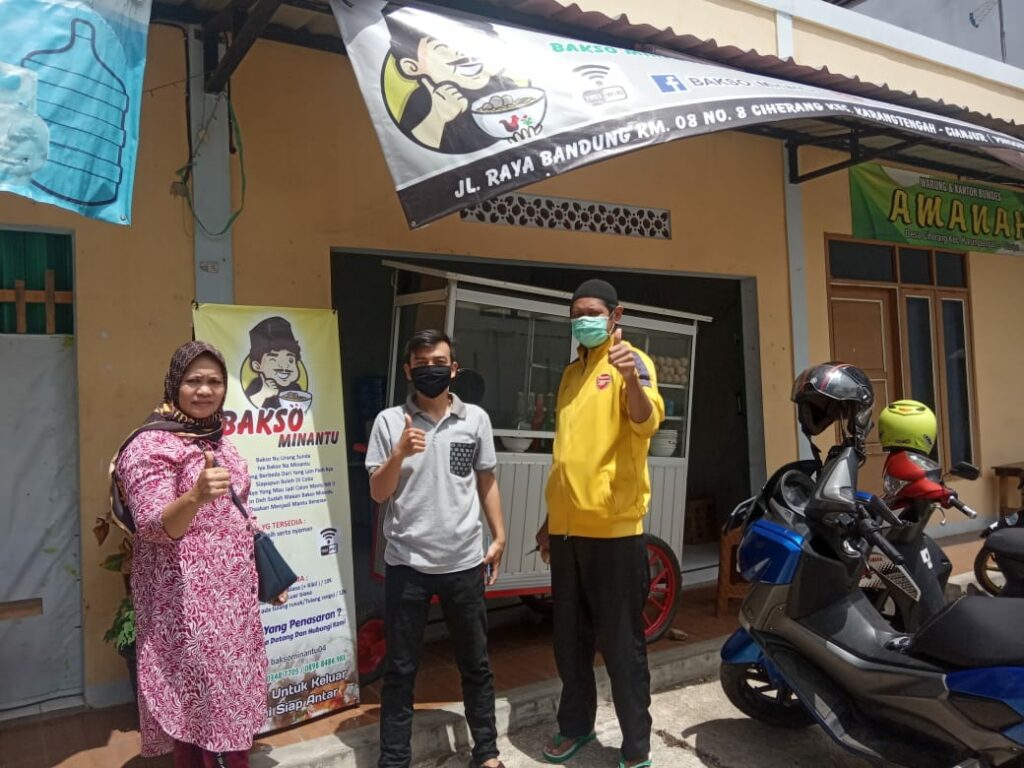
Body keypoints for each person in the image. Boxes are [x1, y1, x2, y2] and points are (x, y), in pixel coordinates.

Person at [116, 341, 287, 768]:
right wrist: (193, 496)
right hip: (186, 606)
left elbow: (238, 509)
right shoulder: (149, 446)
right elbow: (155, 526)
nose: (204, 390)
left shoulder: (218, 437)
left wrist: (268, 572)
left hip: (232, 601)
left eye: (214, 381)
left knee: (220, 703)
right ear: (174, 384)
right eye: (193, 380)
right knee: (205, 707)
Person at [536, 279, 665, 768]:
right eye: (575, 314)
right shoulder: (571, 374)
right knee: (569, 640)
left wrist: (631, 377)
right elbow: (569, 456)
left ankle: (636, 748)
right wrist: (551, 520)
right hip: (568, 531)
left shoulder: (633, 362)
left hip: (613, 530)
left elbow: (645, 421)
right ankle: (576, 726)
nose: (582, 321)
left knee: (622, 645)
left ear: (615, 314)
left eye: (591, 312)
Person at [366, 329, 506, 768]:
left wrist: (499, 536)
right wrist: (399, 454)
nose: (432, 370)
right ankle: (394, 760)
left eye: (439, 362)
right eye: (422, 364)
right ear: (408, 370)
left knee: (476, 664)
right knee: (401, 669)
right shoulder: (390, 422)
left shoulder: (476, 420)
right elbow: (377, 492)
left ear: (454, 368)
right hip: (407, 562)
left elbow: (485, 480)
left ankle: (486, 753)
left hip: (464, 561)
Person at [244, 315, 305, 410]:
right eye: (273, 360)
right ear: (257, 366)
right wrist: (263, 394)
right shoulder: (256, 386)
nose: (284, 365)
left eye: (290, 360)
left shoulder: (295, 388)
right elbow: (245, 407)